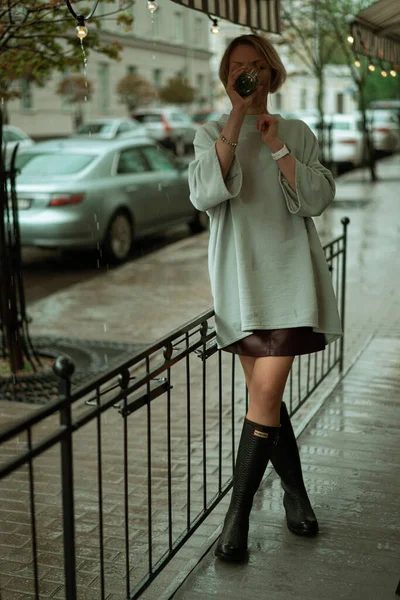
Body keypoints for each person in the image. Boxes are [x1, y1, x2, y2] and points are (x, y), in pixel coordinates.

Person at [188, 33, 343, 563]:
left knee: (264, 397)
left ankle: (236, 518)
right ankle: (296, 496)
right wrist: (235, 118)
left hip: (291, 282)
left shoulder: (296, 133)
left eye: (256, 66)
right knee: (268, 404)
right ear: (228, 77)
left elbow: (318, 199)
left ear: (272, 73)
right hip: (239, 284)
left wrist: (276, 145)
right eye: (237, 68)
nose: (248, 74)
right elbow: (205, 194)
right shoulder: (211, 133)